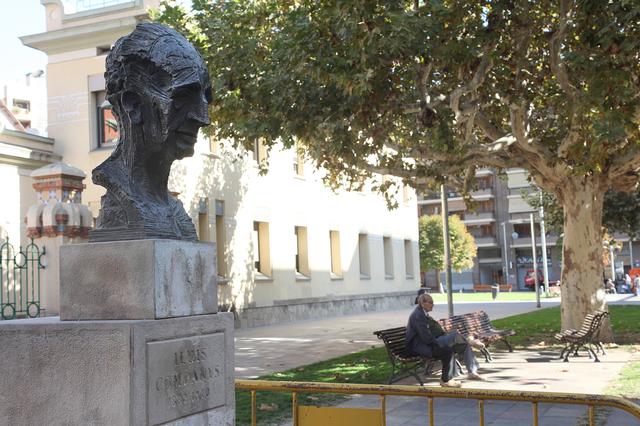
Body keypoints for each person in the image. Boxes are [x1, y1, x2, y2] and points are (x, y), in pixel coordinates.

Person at [91, 22, 213, 242]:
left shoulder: (177, 216)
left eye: (205, 101)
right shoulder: (124, 206)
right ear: (134, 105)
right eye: (184, 97)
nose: (203, 118)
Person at [406, 293, 484, 388]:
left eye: (433, 302)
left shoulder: (423, 314)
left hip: (436, 339)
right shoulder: (418, 315)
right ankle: (470, 341)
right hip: (426, 345)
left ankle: (472, 372)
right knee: (455, 336)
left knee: (463, 345)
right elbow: (426, 337)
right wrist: (437, 344)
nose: (433, 305)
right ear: (423, 303)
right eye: (430, 302)